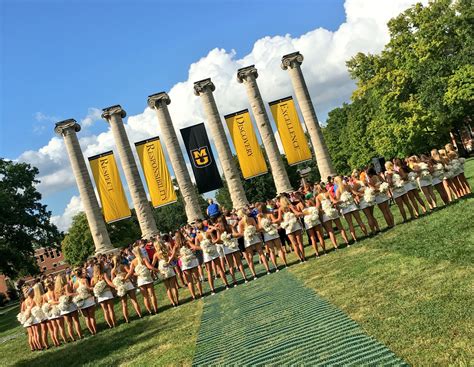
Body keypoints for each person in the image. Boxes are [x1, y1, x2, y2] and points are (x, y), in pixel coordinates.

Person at [195, 220, 229, 294]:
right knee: (219, 268)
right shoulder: (208, 233)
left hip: (206, 253)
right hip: (213, 251)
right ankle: (226, 285)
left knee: (209, 272)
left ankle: (212, 289)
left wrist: (204, 248)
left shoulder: (197, 237)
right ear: (204, 226)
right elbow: (215, 241)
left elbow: (196, 247)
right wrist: (217, 234)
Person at [125, 243, 159, 315]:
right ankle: (156, 310)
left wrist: (125, 278)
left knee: (145, 297)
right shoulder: (144, 259)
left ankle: (150, 311)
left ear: (134, 253)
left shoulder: (133, 262)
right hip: (147, 278)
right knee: (152, 295)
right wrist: (157, 270)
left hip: (140, 280)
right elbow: (149, 267)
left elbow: (130, 272)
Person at [315, 183, 350, 249]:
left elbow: (317, 208)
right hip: (332, 211)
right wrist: (337, 204)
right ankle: (347, 242)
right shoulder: (328, 193)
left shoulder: (317, 197)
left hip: (325, 214)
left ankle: (335, 246)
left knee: (330, 231)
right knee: (340, 227)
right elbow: (333, 201)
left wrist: (323, 210)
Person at [238, 209, 270, 279]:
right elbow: (257, 228)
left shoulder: (240, 222)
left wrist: (247, 232)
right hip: (255, 237)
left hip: (247, 239)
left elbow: (240, 233)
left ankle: (254, 274)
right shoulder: (251, 219)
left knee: (250, 257)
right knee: (261, 253)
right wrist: (252, 231)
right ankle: (268, 270)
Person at [334, 176, 368, 241]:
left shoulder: (338, 190)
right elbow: (354, 193)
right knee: (359, 220)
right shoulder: (348, 186)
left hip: (345, 208)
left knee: (350, 224)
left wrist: (337, 203)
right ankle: (366, 234)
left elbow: (338, 201)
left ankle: (355, 239)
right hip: (352, 205)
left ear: (336, 182)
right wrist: (362, 194)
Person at [111, 255, 142, 322]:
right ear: (120, 259)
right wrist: (126, 278)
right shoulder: (123, 266)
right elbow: (130, 272)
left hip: (121, 286)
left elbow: (113, 280)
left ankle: (127, 319)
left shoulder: (113, 270)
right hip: (128, 283)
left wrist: (117, 285)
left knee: (124, 304)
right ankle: (140, 315)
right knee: (134, 301)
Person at [257, 203, 288, 267]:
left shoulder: (260, 216)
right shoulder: (268, 214)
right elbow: (275, 221)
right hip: (272, 232)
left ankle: (276, 266)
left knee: (272, 251)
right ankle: (285, 264)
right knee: (279, 249)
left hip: (267, 234)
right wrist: (271, 223)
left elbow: (260, 227)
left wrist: (266, 226)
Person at [278, 196, 306, 262]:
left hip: (288, 227)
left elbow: (279, 219)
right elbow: (296, 214)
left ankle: (300, 258)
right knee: (300, 243)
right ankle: (304, 257)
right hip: (295, 225)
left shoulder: (280, 209)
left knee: (294, 244)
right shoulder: (291, 206)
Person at [176, 230, 203, 300]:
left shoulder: (176, 246)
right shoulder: (187, 242)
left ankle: (193, 296)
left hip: (185, 264)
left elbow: (173, 255)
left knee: (189, 281)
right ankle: (201, 294)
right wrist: (203, 247)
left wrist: (180, 256)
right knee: (196, 279)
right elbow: (194, 247)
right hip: (192, 261)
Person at [351, 170, 380, 235]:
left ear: (353, 177)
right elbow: (371, 187)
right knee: (372, 215)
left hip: (363, 201)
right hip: (370, 199)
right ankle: (378, 228)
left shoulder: (355, 185)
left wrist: (360, 195)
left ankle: (373, 231)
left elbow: (354, 193)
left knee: (368, 217)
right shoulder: (364, 181)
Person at [55, 273, 82, 341]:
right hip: (70, 305)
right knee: (76, 321)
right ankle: (80, 335)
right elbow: (68, 294)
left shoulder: (56, 289)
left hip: (63, 308)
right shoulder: (66, 285)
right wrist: (76, 293)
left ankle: (73, 338)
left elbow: (57, 298)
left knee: (69, 324)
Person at [152, 240, 179, 307]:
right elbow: (174, 257)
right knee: (173, 286)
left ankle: (173, 303)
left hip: (162, 269)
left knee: (168, 288)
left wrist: (154, 270)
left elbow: (152, 264)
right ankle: (177, 301)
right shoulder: (166, 251)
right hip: (169, 267)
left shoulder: (156, 254)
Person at [91, 263, 116, 328]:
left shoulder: (93, 279)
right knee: (110, 309)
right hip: (107, 293)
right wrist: (115, 286)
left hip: (100, 296)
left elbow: (92, 287)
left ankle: (110, 325)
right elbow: (109, 282)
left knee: (105, 311)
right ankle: (114, 323)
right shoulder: (104, 275)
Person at [73, 268, 97, 334]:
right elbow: (88, 289)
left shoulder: (74, 284)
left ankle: (92, 332)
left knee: (87, 318)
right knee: (92, 317)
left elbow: (75, 294)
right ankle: (95, 330)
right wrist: (94, 287)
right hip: (88, 300)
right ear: (81, 273)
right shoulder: (85, 280)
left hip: (81, 302)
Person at [43, 279, 67, 345]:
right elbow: (59, 300)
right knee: (61, 327)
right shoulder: (56, 292)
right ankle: (65, 340)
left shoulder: (44, 296)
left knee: (55, 328)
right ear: (52, 284)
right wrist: (58, 302)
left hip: (50, 313)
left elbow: (44, 305)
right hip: (57, 311)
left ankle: (57, 342)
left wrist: (49, 305)